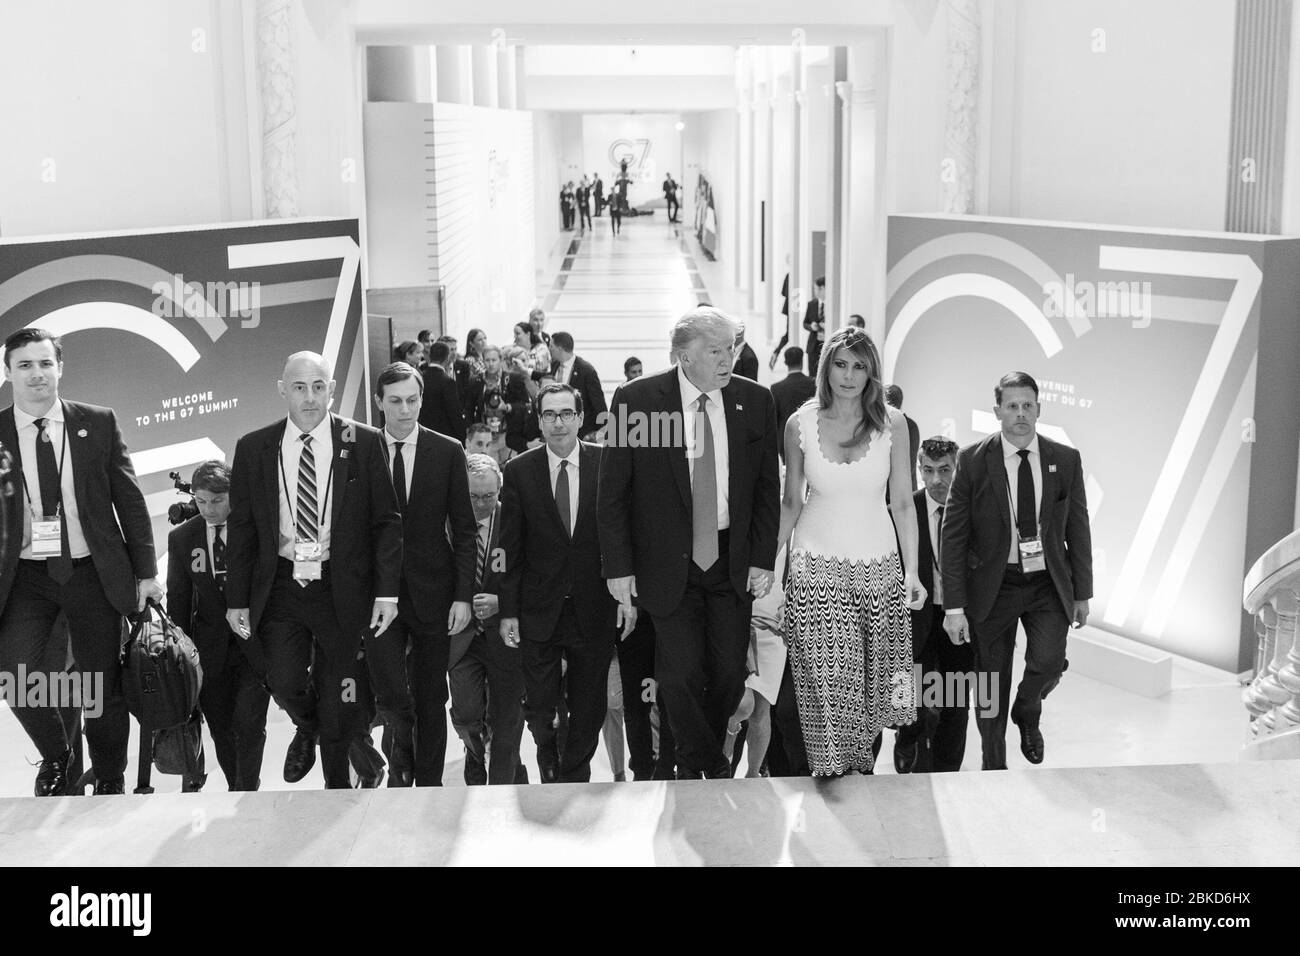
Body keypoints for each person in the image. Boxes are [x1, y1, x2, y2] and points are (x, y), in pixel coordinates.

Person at [598, 307, 780, 779]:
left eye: (731, 348)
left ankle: (695, 759)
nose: (728, 359)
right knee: (678, 677)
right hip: (665, 562)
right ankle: (709, 766)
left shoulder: (755, 401)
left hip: (731, 560)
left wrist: (762, 558)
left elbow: (765, 489)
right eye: (716, 351)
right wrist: (618, 566)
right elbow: (613, 490)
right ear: (684, 355)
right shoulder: (637, 401)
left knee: (726, 676)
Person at [225, 351, 402, 789]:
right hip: (282, 584)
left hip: (341, 586)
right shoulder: (254, 447)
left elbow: (386, 523)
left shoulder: (363, 441)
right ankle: (308, 726)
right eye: (300, 387)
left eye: (318, 386)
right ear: (282, 388)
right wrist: (237, 600)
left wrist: (386, 594)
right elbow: (243, 528)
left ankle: (336, 785)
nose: (310, 398)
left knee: (339, 689)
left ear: (332, 389)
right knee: (284, 679)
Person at [0, 328, 162, 796]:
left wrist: (147, 574)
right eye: (25, 365)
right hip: (25, 576)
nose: (37, 374)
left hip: (92, 570)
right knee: (15, 674)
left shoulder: (98, 422)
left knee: (100, 687)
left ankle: (110, 779)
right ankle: (58, 755)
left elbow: (130, 502)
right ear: (8, 372)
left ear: (60, 368)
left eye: (45, 363)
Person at [777, 327, 923, 776]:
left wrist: (913, 572)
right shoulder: (798, 423)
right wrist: (765, 565)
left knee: (878, 689)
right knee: (828, 681)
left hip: (879, 569)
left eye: (860, 366)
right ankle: (834, 771)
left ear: (872, 373)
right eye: (841, 364)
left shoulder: (893, 423)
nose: (849, 375)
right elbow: (791, 501)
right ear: (826, 368)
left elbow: (902, 501)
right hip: (814, 568)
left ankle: (859, 771)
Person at [941, 372, 1093, 770]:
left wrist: (1082, 593)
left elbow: (1078, 528)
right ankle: (994, 765)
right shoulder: (972, 461)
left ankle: (1027, 709)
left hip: (1047, 584)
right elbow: (953, 537)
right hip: (994, 586)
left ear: (1039, 409)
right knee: (990, 684)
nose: (1021, 414)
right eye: (1012, 406)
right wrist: (954, 607)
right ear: (997, 411)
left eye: (1028, 405)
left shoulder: (1065, 459)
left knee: (1048, 660)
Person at [499, 384, 630, 782]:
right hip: (539, 608)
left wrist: (628, 597)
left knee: (589, 709)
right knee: (540, 709)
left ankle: (573, 776)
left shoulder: (606, 463)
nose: (558, 422)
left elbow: (623, 534)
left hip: (594, 607)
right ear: (539, 421)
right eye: (550, 415)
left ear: (580, 418)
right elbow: (510, 549)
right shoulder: (519, 470)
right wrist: (508, 612)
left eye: (566, 414)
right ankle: (548, 754)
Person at [367, 362, 476, 786]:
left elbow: (464, 529)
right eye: (395, 401)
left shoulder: (447, 450)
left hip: (435, 590)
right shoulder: (363, 448)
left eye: (412, 400)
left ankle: (428, 783)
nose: (405, 410)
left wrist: (463, 595)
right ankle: (400, 761)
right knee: (392, 693)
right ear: (379, 402)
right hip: (379, 594)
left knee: (432, 695)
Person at [167, 460, 271, 792]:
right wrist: (180, 657)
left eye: (217, 500)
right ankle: (236, 787)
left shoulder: (257, 528)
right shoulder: (183, 538)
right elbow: (178, 602)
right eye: (201, 501)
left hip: (256, 646)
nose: (209, 509)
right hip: (209, 652)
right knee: (221, 728)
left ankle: (246, 790)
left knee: (249, 723)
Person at [892, 437, 975, 774]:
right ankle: (907, 734)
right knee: (917, 699)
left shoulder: (974, 510)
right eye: (928, 470)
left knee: (956, 703)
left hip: (960, 619)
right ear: (919, 470)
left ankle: (948, 773)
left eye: (945, 470)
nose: (936, 479)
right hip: (916, 621)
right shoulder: (901, 512)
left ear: (958, 470)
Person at [447, 453, 527, 785]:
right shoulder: (446, 523)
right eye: (473, 496)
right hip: (461, 638)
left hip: (504, 635)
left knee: (506, 716)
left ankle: (504, 774)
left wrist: (503, 602)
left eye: (488, 496)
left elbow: (533, 576)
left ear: (500, 491)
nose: (481, 503)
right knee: (466, 716)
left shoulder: (515, 521)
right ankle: (476, 750)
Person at [548, 332, 607, 441]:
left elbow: (599, 405)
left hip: (581, 434)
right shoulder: (555, 365)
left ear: (560, 348)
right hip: (559, 432)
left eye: (551, 346)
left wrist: (597, 435)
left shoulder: (586, 371)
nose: (549, 349)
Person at [770, 346, 816, 457]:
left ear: (785, 362)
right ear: (802, 361)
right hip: (811, 438)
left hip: (786, 440)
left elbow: (774, 419)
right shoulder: (814, 384)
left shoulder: (776, 388)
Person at [417, 340, 466, 443]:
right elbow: (454, 413)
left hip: (423, 434)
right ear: (447, 357)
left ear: (430, 356)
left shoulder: (419, 378)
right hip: (444, 436)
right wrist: (463, 437)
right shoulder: (448, 382)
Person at [885, 384, 921, 491]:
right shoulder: (912, 425)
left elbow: (904, 467)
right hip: (906, 492)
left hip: (895, 497)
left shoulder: (892, 426)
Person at [802, 276, 827, 376]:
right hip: (813, 345)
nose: (814, 291)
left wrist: (826, 327)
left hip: (826, 344)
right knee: (812, 373)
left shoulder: (832, 304)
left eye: (815, 288)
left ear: (823, 288)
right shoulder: (811, 304)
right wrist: (811, 327)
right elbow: (805, 323)